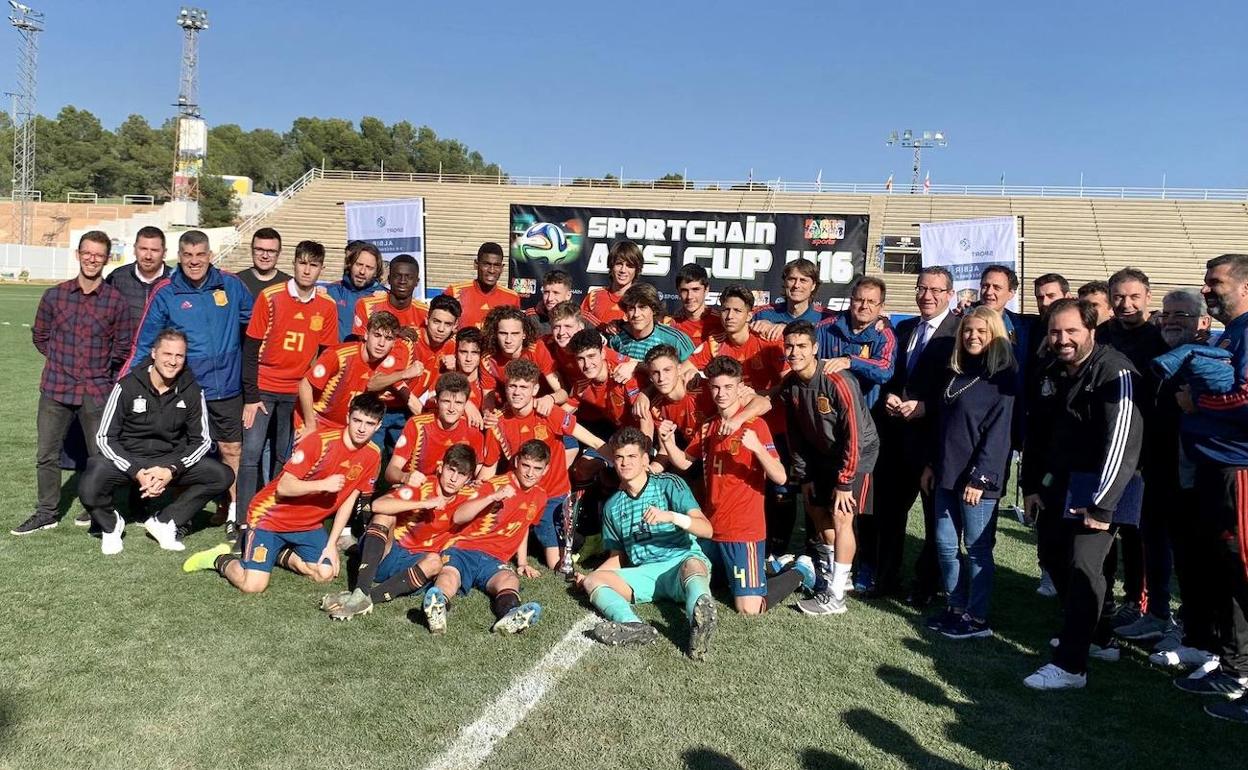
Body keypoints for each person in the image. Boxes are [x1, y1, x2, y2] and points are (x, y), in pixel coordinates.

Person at [1022, 299, 1144, 690]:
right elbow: (1037, 434)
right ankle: (1099, 637)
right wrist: (1030, 485)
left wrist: (1103, 504)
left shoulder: (1116, 370)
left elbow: (1122, 444)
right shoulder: (1052, 368)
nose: (1062, 339)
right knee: (1054, 558)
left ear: (1092, 330)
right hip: (1060, 484)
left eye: (1071, 331)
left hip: (1101, 488)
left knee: (1084, 567)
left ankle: (1071, 666)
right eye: (1055, 332)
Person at [181, 393, 385, 595]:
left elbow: (349, 500)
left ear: (378, 426)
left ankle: (276, 553)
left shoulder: (373, 455)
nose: (361, 428)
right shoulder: (320, 442)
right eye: (357, 420)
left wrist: (332, 544)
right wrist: (323, 484)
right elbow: (284, 487)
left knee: (325, 573)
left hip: (308, 524)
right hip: (269, 517)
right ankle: (219, 559)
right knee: (253, 586)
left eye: (369, 423)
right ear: (348, 417)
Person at [127, 230, 254, 533]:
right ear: (179, 257)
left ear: (210, 255)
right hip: (186, 390)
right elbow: (145, 344)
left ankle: (233, 512)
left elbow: (257, 325)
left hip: (227, 386)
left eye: (200, 255)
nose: (194, 261)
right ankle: (180, 515)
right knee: (183, 453)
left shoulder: (231, 285)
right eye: (188, 255)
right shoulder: (166, 292)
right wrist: (127, 383)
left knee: (231, 449)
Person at [659, 356, 805, 615]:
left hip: (743, 530)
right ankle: (759, 570)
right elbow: (684, 462)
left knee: (748, 608)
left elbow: (781, 477)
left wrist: (758, 449)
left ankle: (801, 571)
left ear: (739, 387)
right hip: (711, 527)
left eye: (728, 387)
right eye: (715, 387)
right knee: (689, 580)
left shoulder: (755, 425)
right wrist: (668, 442)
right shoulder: (708, 426)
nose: (721, 394)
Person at [1169, 254, 1248, 721]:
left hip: (1239, 468)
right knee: (1228, 571)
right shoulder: (1231, 333)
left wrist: (1195, 401)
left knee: (1243, 569)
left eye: (1216, 283)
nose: (1207, 290)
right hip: (1216, 468)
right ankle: (1237, 664)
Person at [14, 231, 135, 536]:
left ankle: (96, 509)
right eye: (87, 253)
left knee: (99, 456)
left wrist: (99, 370)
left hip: (96, 389)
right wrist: (61, 362)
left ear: (107, 259)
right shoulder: (55, 296)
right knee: (47, 454)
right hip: (56, 387)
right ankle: (47, 512)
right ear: (78, 254)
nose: (92, 259)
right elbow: (40, 336)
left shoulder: (115, 301)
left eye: (99, 255)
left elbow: (123, 346)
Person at [82, 329, 233, 554]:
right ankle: (111, 525)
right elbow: (105, 437)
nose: (172, 362)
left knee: (222, 475)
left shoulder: (192, 390)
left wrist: (171, 469)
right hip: (130, 457)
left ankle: (164, 522)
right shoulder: (127, 385)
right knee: (92, 478)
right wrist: (136, 471)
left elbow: (201, 440)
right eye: (167, 354)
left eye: (179, 356)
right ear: (154, 353)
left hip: (168, 460)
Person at [577, 427, 718, 660]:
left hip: (680, 562)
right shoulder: (613, 506)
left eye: (632, 456)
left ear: (645, 459)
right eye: (620, 457)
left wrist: (672, 516)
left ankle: (699, 621)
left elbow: (707, 529)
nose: (625, 463)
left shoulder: (669, 484)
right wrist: (589, 578)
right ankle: (633, 626)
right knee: (594, 580)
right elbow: (617, 557)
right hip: (645, 574)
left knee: (693, 565)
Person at [920, 307, 1016, 639]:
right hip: (946, 474)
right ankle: (955, 607)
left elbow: (1000, 434)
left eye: (981, 331)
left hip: (977, 482)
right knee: (945, 545)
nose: (972, 336)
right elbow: (943, 426)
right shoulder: (956, 372)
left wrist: (981, 478)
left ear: (995, 335)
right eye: (967, 331)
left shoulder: (1002, 378)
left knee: (977, 549)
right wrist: (932, 463)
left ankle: (977, 619)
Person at [871, 267, 959, 602]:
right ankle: (886, 579)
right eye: (922, 288)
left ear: (949, 294)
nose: (927, 296)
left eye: (936, 290)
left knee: (935, 521)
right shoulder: (903, 328)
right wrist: (890, 395)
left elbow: (960, 388)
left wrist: (926, 407)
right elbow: (890, 375)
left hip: (934, 443)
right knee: (890, 514)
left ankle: (927, 587)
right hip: (896, 441)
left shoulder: (960, 332)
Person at [779, 320, 879, 615]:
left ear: (815, 349)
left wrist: (845, 481)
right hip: (821, 456)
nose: (794, 352)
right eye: (789, 346)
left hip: (856, 456)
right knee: (816, 512)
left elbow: (855, 435)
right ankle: (839, 575)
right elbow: (794, 434)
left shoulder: (838, 381)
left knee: (841, 515)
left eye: (801, 346)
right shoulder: (791, 384)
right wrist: (804, 474)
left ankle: (835, 597)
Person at [238, 241, 339, 528]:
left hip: (297, 394)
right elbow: (250, 349)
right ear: (294, 264)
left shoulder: (326, 305)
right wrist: (251, 396)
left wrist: (313, 403)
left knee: (285, 456)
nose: (307, 270)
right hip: (263, 390)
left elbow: (326, 358)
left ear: (321, 268)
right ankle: (243, 521)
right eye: (303, 263)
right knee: (251, 454)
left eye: (314, 265)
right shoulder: (270, 297)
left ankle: (271, 516)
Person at [323, 443, 480, 621]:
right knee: (384, 516)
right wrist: (423, 504)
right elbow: (378, 504)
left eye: (461, 475)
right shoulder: (422, 485)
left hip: (416, 565)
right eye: (451, 470)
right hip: (389, 552)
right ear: (441, 467)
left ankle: (364, 598)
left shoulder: (470, 497)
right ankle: (360, 590)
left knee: (436, 562)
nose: (453, 478)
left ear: (468, 479)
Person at [1141, 288, 1214, 664]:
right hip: (1159, 472)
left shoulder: (1205, 361)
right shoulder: (1164, 358)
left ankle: (1199, 636)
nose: (1169, 321)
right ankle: (1174, 623)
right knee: (1167, 550)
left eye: (1180, 316)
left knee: (1196, 559)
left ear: (1204, 323)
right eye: (1166, 314)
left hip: (1194, 480)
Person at [1094, 268, 1169, 631]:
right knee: (1097, 528)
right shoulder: (1099, 336)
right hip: (1101, 449)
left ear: (1148, 297)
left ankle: (1138, 602)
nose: (1126, 304)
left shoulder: (1159, 339)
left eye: (1133, 296)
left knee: (1137, 533)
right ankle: (1101, 598)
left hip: (1146, 455)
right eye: (1119, 297)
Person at [481, 359, 605, 568]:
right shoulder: (498, 422)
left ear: (535, 389)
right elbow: (488, 469)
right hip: (521, 497)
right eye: (512, 386)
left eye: (524, 387)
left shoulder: (549, 412)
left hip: (553, 496)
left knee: (552, 561)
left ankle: (585, 539)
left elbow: (591, 439)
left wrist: (617, 459)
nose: (517, 392)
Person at [420, 441, 550, 635]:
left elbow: (523, 526)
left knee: (509, 579)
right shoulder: (495, 485)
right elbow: (459, 516)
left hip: (495, 559)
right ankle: (438, 609)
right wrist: (491, 498)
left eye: (537, 468)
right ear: (516, 461)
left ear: (545, 470)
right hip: (464, 548)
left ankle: (510, 615)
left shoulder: (540, 496)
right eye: (526, 465)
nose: (530, 473)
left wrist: (522, 562)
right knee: (449, 575)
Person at [296, 311, 410, 437]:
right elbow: (305, 385)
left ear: (394, 342)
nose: (381, 344)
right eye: (377, 335)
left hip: (346, 430)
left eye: (388, 338)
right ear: (366, 334)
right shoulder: (339, 355)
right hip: (317, 420)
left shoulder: (387, 365)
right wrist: (311, 424)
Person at [383, 372, 489, 487]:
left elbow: (478, 472)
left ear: (466, 405)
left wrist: (477, 484)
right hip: (417, 488)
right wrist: (405, 477)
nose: (451, 409)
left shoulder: (472, 430)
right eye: (446, 401)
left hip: (452, 492)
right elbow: (390, 471)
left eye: (458, 403)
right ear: (437, 401)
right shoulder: (417, 425)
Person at [814, 276, 896, 409]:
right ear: (851, 301)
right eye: (859, 300)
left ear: (881, 307)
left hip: (865, 413)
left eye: (871, 302)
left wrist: (850, 362)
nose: (864, 306)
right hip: (827, 410)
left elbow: (885, 370)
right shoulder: (824, 328)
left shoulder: (885, 334)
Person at [607, 283, 695, 364]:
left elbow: (692, 371)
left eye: (642, 307)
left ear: (653, 310)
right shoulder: (616, 336)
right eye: (631, 308)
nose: (636, 314)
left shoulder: (675, 340)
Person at [106, 226, 171, 330]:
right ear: (134, 249)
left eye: (154, 250)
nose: (148, 256)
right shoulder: (117, 278)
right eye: (143, 249)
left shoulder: (176, 281)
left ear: (164, 253)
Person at [443, 242, 519, 329]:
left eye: (496, 265)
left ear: (502, 268)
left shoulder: (512, 298)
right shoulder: (454, 292)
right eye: (486, 264)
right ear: (476, 264)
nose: (491, 270)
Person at [351, 254, 428, 338]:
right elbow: (360, 343)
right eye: (397, 276)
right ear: (389, 279)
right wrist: (394, 332)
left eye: (408, 277)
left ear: (417, 282)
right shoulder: (365, 304)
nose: (402, 281)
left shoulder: (425, 313)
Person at [751, 258, 825, 341]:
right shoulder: (762, 314)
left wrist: (786, 328)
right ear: (784, 282)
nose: (796, 285)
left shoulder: (825, 317)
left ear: (813, 285)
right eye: (792, 279)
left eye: (803, 280)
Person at [326, 241, 384, 341]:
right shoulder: (331, 292)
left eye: (369, 268)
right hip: (336, 355)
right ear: (350, 265)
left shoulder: (384, 297)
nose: (362, 271)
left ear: (376, 272)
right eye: (359, 264)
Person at [581, 240, 642, 332]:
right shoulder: (594, 296)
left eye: (629, 266)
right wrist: (602, 328)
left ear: (637, 270)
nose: (623, 270)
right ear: (611, 266)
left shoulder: (642, 301)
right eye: (619, 264)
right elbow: (578, 327)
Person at [662, 263, 723, 346]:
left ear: (706, 289)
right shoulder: (669, 325)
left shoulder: (720, 322)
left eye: (695, 289)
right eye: (684, 290)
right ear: (678, 291)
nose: (689, 296)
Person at [236, 228, 290, 297]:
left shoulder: (289, 285)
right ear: (252, 249)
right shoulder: (236, 281)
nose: (265, 256)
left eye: (271, 251)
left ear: (279, 252)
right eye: (259, 249)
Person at [526, 269, 574, 336]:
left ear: (568, 295)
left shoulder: (582, 319)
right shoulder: (531, 318)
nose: (549, 298)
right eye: (546, 292)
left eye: (556, 293)